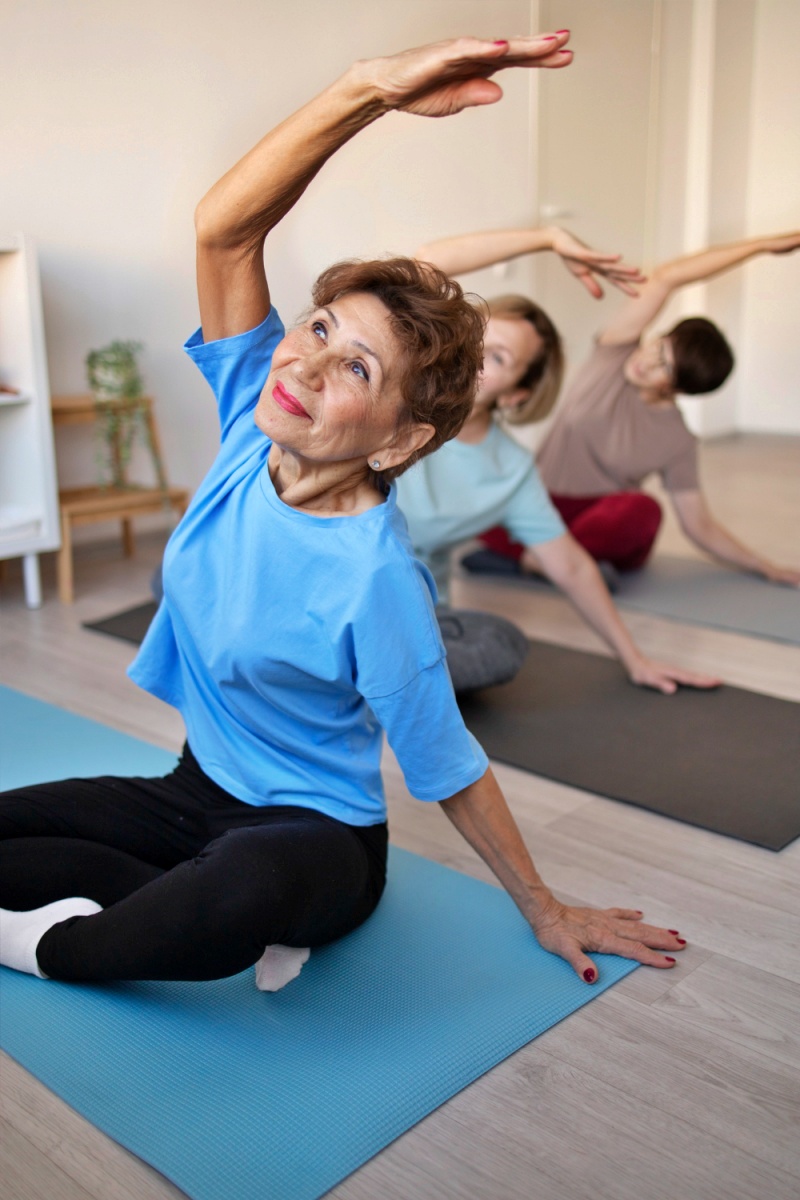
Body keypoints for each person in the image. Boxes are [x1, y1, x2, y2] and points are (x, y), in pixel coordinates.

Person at [0, 33, 686, 993]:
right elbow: (225, 231)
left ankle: (50, 947)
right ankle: (168, 894)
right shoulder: (254, 420)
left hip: (313, 838)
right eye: (318, 329)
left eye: (355, 367)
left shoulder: (375, 577)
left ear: (401, 440)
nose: (306, 365)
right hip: (192, 791)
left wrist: (546, 906)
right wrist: (367, 91)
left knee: (237, 887)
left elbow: (446, 763)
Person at [400, 232, 718, 695]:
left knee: (499, 646)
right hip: (327, 587)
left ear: (516, 394)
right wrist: (546, 239)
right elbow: (425, 264)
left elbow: (570, 566)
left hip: (409, 612)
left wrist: (636, 659)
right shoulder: (398, 395)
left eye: (498, 357)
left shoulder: (510, 469)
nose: (472, 355)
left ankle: (370, 670)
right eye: (474, 338)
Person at [434, 227, 800, 583]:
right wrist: (762, 246)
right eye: (658, 345)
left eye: (665, 367)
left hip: (599, 518)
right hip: (540, 504)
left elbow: (697, 525)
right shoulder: (614, 354)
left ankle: (537, 562)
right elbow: (665, 278)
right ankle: (556, 565)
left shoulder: (678, 441)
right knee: (490, 496)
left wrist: (766, 567)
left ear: (679, 389)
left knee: (642, 512)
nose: (647, 361)